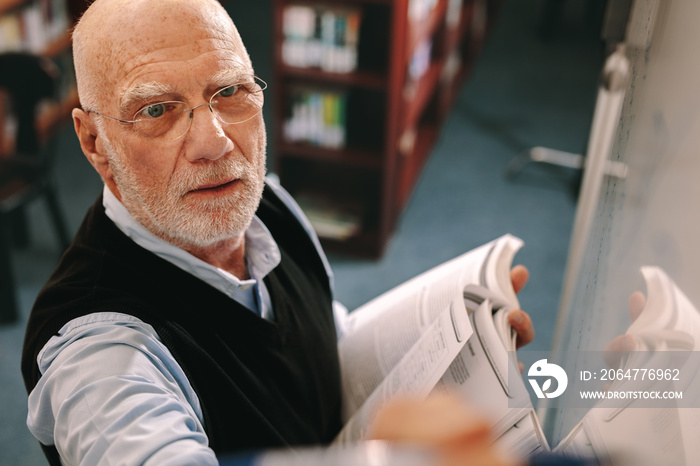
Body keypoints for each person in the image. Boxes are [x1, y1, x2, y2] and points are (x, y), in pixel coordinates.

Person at [20, 0, 535, 464]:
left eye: (230, 91)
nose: (215, 143)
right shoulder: (96, 352)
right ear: (94, 143)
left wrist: (472, 345)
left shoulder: (272, 206)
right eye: (156, 110)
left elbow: (323, 343)